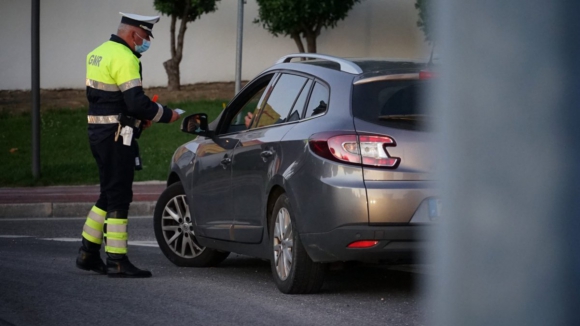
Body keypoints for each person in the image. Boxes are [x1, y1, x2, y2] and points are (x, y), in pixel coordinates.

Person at [76, 12, 180, 278]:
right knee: (120, 196)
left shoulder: (98, 53)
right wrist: (168, 114)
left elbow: (107, 97)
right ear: (134, 34)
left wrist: (137, 118)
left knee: (108, 192)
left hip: (98, 133)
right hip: (116, 136)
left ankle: (88, 253)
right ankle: (117, 260)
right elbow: (135, 101)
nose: (146, 43)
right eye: (145, 37)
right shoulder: (125, 57)